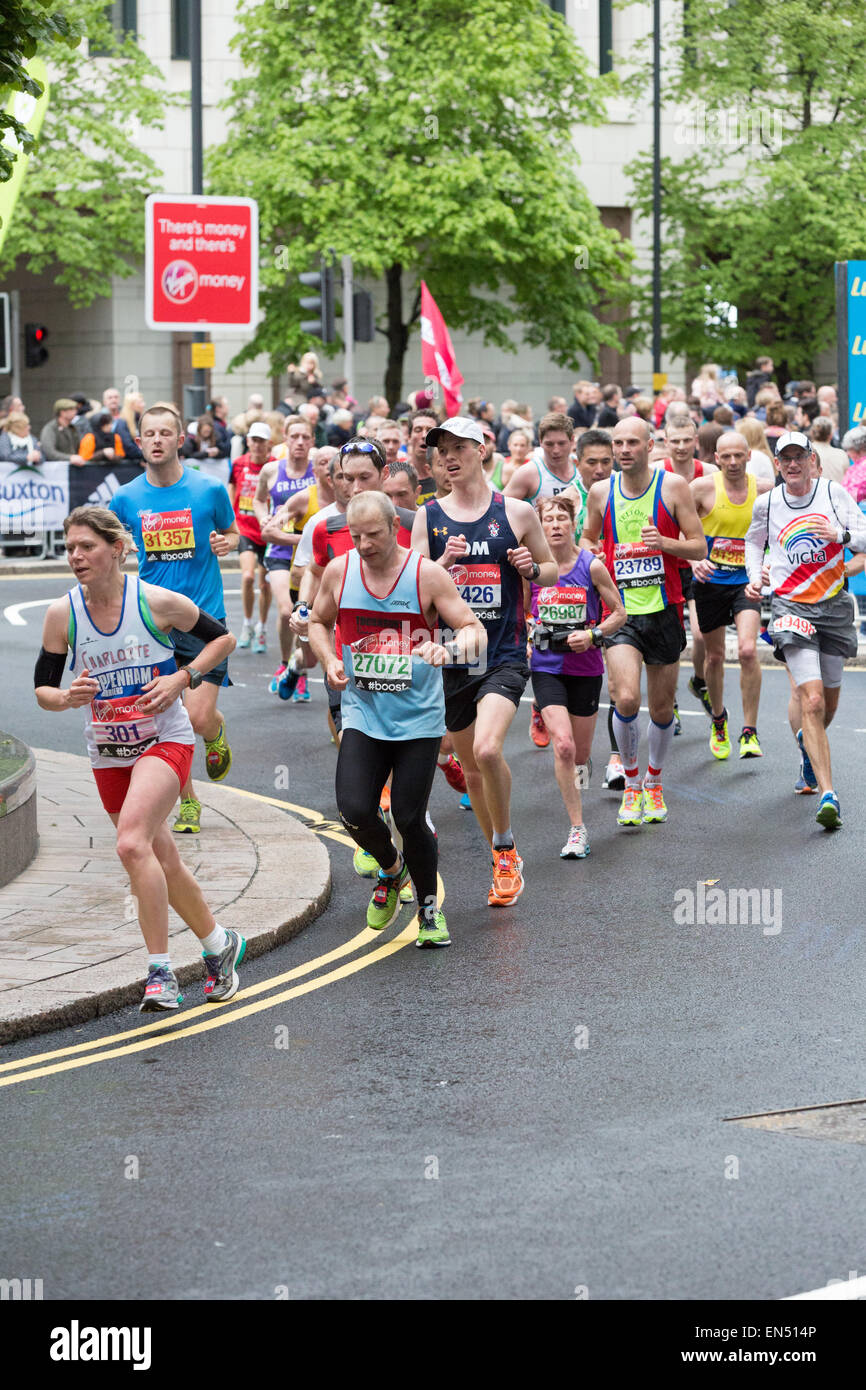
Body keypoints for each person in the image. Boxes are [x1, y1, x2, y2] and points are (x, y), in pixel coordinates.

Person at [35, 506, 243, 1012]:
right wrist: (66, 698)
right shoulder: (63, 614)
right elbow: (42, 688)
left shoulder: (154, 602)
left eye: (87, 546)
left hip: (163, 743)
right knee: (160, 858)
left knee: (131, 845)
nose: (76, 556)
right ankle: (220, 945)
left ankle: (160, 972)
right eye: (69, 548)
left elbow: (222, 638)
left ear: (116, 549)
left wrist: (182, 678)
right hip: (108, 752)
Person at [309, 492, 484, 947]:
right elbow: (316, 620)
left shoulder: (426, 575)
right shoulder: (340, 572)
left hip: (418, 721)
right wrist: (328, 658)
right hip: (364, 715)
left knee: (408, 816)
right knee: (353, 810)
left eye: (373, 534)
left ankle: (429, 912)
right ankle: (392, 870)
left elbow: (473, 631)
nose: (364, 545)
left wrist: (447, 648)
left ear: (394, 528)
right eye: (355, 535)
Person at [412, 415, 557, 906]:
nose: (448, 457)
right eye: (441, 450)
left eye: (458, 447)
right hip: (454, 658)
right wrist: (442, 567)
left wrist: (531, 567)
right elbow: (413, 594)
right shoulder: (427, 516)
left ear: (482, 450)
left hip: (503, 653)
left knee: (490, 750)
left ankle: (506, 844)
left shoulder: (515, 512)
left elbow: (551, 568)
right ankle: (499, 855)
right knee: (471, 766)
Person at [108, 405, 238, 836]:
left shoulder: (209, 490)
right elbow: (113, 542)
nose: (158, 440)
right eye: (150, 434)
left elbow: (234, 533)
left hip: (204, 619)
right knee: (168, 720)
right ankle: (189, 803)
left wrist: (225, 543)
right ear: (141, 442)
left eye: (166, 433)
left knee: (198, 719)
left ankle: (215, 730)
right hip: (154, 621)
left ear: (181, 440)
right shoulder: (125, 498)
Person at [581, 417, 706, 826]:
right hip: (621, 613)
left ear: (651, 445)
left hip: (664, 608)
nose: (623, 450)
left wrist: (664, 543)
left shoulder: (672, 488)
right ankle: (632, 784)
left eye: (632, 442)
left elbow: (699, 545)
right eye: (618, 443)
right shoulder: (601, 492)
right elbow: (587, 537)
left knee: (661, 709)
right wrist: (593, 555)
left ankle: (655, 779)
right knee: (627, 698)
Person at [745, 431, 866, 827]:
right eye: (786, 459)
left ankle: (806, 747)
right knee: (810, 700)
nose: (793, 464)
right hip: (790, 606)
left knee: (827, 705)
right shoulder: (768, 503)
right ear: (777, 464)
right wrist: (754, 576)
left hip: (833, 607)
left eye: (800, 457)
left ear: (812, 460)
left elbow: (863, 535)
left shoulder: (833, 495)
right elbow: (753, 542)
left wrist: (842, 537)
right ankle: (828, 794)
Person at [525, 494, 625, 858]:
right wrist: (526, 637)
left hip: (585, 668)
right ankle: (577, 829)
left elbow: (619, 613)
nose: (554, 525)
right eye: (547, 519)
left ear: (572, 523)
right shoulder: (533, 569)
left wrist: (594, 634)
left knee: (580, 755)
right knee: (563, 746)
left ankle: (579, 771)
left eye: (560, 519)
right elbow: (521, 614)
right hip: (547, 666)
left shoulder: (591, 565)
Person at [690, 432, 773, 759]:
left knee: (749, 650)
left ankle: (749, 732)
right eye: (727, 456)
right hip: (711, 582)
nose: (733, 462)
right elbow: (681, 529)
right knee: (714, 657)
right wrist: (695, 559)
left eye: (739, 455)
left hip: (746, 581)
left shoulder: (765, 490)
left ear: (749, 455)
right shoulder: (701, 488)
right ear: (716, 458)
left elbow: (782, 532)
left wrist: (768, 565)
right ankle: (719, 718)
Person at [252, 417, 315, 693]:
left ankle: (298, 667)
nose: (300, 442)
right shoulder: (271, 470)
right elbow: (257, 498)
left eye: (305, 437)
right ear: (285, 440)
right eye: (295, 436)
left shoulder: (319, 470)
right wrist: (264, 517)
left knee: (304, 612)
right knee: (287, 609)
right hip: (279, 548)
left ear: (312, 441)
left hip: (309, 555)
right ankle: (283, 661)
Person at [661, 412, 717, 721]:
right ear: (665, 442)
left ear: (696, 442)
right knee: (668, 640)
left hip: (698, 562)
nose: (681, 447)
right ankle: (669, 702)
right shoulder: (657, 471)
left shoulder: (709, 472)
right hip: (667, 561)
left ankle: (699, 681)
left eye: (687, 440)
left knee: (699, 636)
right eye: (675, 441)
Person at [228, 422, 274, 653]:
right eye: (253, 440)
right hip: (245, 528)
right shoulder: (238, 464)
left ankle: (262, 627)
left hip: (267, 532)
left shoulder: (275, 466)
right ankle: (247, 625)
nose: (256, 445)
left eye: (261, 441)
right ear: (248, 442)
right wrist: (229, 519)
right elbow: (231, 489)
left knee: (265, 584)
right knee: (247, 577)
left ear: (269, 444)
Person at [505, 411, 578, 505]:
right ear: (540, 442)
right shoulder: (528, 473)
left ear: (572, 440)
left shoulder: (583, 467)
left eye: (561, 443)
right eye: (549, 444)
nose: (556, 450)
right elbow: (499, 509)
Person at [405, 407, 439, 503]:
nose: (424, 435)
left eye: (429, 430)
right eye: (418, 430)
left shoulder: (448, 476)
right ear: (409, 437)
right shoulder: (399, 475)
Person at [40, 399, 86, 466]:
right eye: (72, 409)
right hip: (56, 470)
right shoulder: (50, 429)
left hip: (74, 468)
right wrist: (69, 458)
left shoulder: (73, 428)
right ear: (62, 412)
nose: (75, 412)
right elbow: (49, 452)